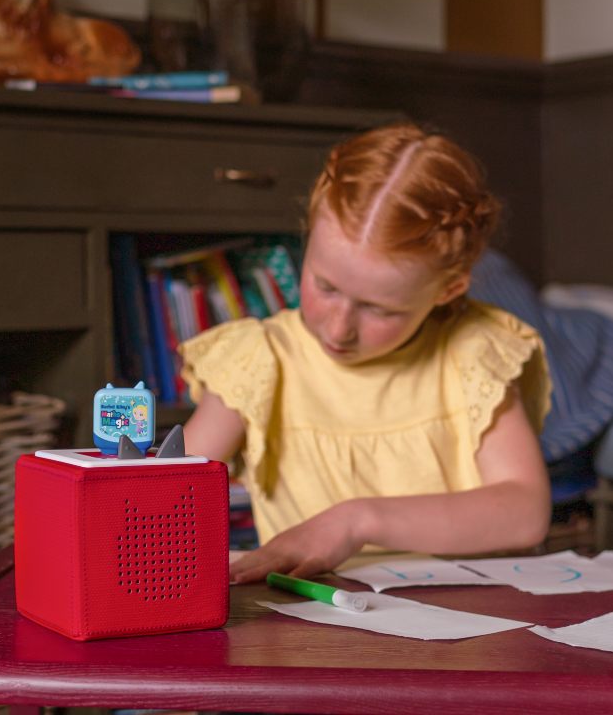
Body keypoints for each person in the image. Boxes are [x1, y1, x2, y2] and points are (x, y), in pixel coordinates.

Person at [182, 122, 552, 585]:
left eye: (379, 309)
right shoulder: (260, 359)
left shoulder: (472, 353)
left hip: (469, 627)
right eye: (325, 286)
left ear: (447, 289)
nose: (339, 328)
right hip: (312, 633)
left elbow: (525, 513)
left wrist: (357, 521)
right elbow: (160, 496)